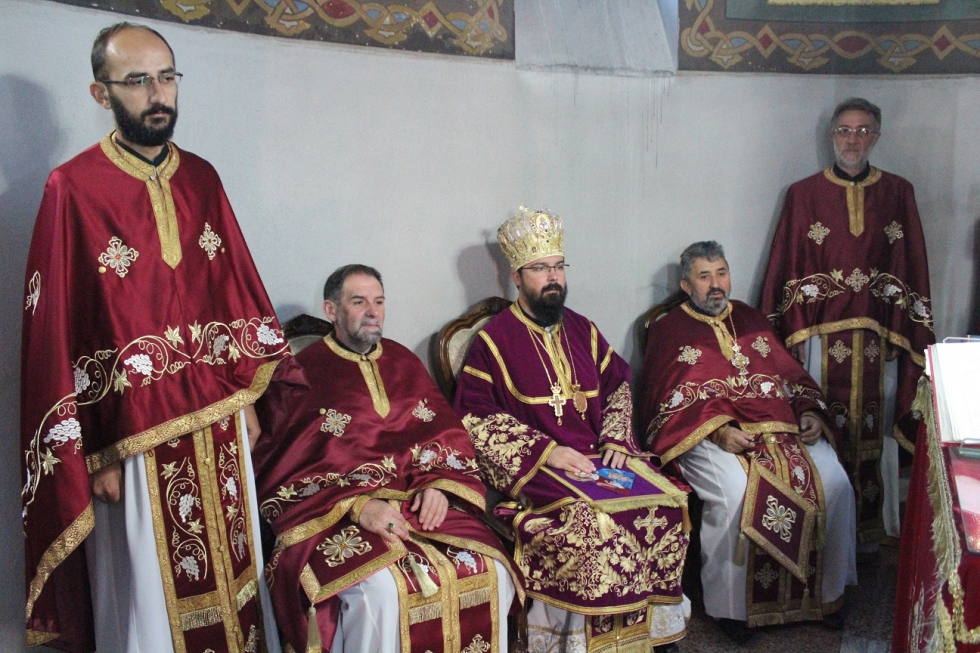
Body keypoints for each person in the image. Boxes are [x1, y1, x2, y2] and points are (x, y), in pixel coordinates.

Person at [19, 23, 289, 653]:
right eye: (138, 81)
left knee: (237, 584)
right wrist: (95, 452)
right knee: (150, 602)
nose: (158, 93)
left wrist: (247, 401)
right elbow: (60, 332)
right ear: (101, 93)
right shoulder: (72, 187)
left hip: (220, 425)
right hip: (133, 436)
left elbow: (233, 293)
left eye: (166, 77)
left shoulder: (202, 178)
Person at [252, 264, 522, 653]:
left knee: (493, 569)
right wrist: (358, 506)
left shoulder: (402, 360)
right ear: (331, 310)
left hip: (418, 508)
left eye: (378, 302)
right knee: (381, 592)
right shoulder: (300, 373)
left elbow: (443, 434)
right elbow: (280, 466)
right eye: (359, 302)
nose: (372, 312)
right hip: (336, 517)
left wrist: (440, 487)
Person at [455, 208, 691, 653]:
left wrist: (616, 437)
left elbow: (618, 383)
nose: (553, 277)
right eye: (541, 268)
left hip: (600, 457)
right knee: (590, 522)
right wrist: (546, 452)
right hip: (540, 468)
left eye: (559, 266)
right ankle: (582, 643)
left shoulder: (583, 329)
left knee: (667, 500)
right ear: (517, 276)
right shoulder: (494, 340)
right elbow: (474, 417)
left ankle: (651, 633)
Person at [638, 241, 857, 643]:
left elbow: (790, 374)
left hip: (782, 432)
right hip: (709, 437)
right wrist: (719, 431)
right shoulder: (669, 330)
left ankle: (827, 596)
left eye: (721, 273)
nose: (715, 284)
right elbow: (663, 399)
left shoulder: (752, 318)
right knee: (737, 491)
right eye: (704, 276)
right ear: (686, 285)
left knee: (836, 483)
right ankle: (731, 609)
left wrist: (809, 411)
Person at [760, 98, 934, 546]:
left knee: (875, 434)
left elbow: (908, 263)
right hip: (821, 337)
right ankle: (825, 533)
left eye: (862, 131)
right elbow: (788, 264)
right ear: (831, 135)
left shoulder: (897, 192)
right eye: (844, 130)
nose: (852, 140)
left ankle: (872, 532)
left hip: (879, 340)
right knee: (822, 426)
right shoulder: (804, 194)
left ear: (875, 136)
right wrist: (793, 329)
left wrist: (902, 327)